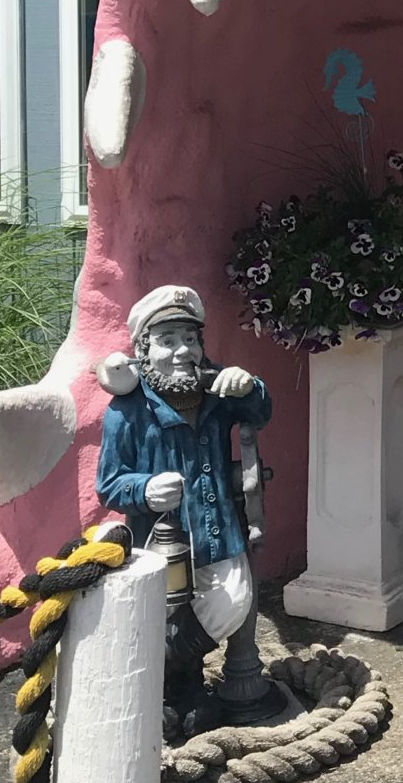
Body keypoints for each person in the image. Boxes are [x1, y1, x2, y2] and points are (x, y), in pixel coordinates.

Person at [96, 285, 272, 721]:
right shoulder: (127, 411)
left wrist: (249, 387)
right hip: (161, 545)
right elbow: (109, 483)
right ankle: (173, 689)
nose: (181, 351)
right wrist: (144, 489)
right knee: (164, 613)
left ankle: (169, 673)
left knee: (233, 600)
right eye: (168, 340)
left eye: (190, 339)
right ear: (143, 350)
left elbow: (260, 414)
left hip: (219, 536)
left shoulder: (215, 394)